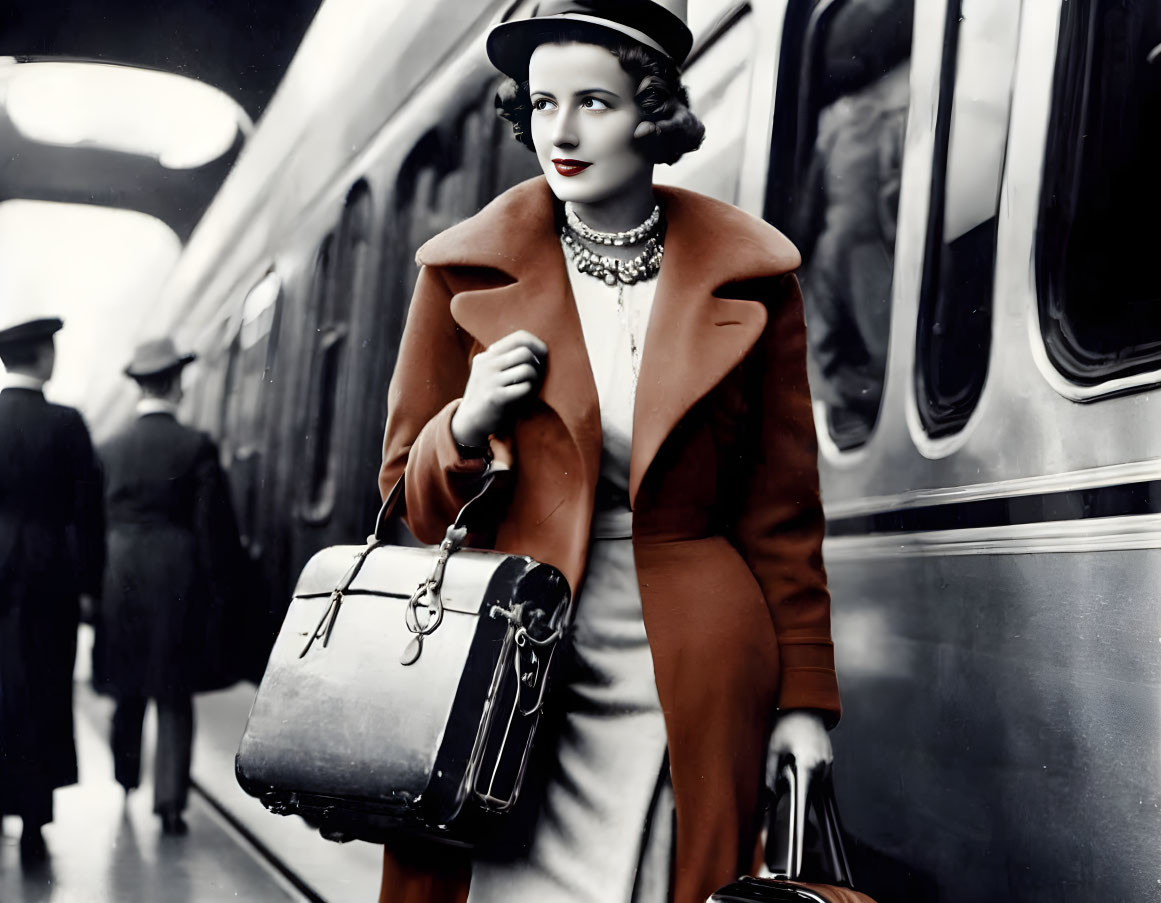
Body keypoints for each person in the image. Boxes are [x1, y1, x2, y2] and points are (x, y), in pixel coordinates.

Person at [376, 2, 840, 901]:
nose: (563, 130)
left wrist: (804, 703)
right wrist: (462, 426)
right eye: (542, 104)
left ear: (653, 113)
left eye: (594, 101)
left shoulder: (753, 275)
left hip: (691, 669)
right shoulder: (460, 272)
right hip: (505, 667)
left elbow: (783, 515)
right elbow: (402, 505)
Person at [93, 338, 244, 836]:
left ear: (138, 386)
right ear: (176, 383)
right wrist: (220, 589)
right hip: (177, 576)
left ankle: (124, 779)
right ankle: (171, 803)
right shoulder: (195, 445)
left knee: (127, 685)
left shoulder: (109, 449)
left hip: (120, 574)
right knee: (174, 692)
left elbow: (92, 525)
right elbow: (214, 530)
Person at [0, 316, 105, 865]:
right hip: (49, 576)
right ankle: (35, 821)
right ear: (42, 357)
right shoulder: (67, 424)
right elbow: (88, 515)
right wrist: (90, 586)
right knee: (42, 689)